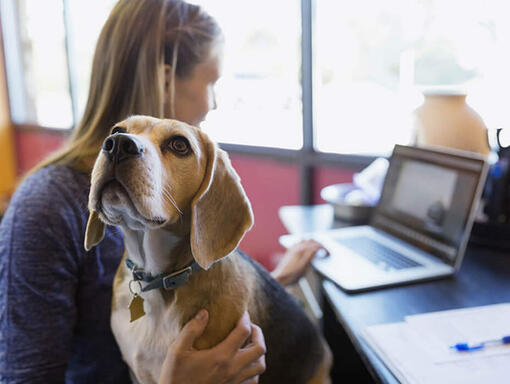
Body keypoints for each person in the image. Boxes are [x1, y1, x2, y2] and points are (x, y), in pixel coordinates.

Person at [0, 1, 327, 383]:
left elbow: (199, 282)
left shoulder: (177, 209)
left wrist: (270, 285)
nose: (213, 102)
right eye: (212, 82)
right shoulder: (43, 208)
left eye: (175, 146)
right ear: (165, 80)